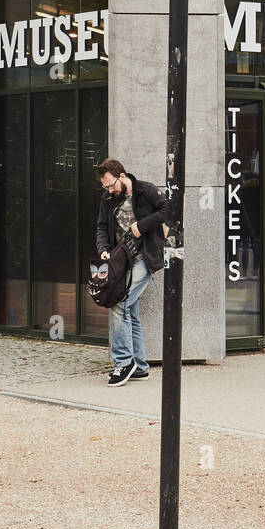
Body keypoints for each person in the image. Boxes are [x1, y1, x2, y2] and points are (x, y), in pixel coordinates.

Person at [94, 158, 167, 386]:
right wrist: (104, 249)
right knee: (130, 310)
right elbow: (102, 227)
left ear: (122, 176)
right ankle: (140, 367)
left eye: (112, 185)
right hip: (121, 259)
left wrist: (140, 226)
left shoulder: (146, 190)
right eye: (105, 186)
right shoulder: (108, 198)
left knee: (119, 304)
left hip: (146, 258)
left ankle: (123, 363)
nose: (109, 190)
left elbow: (170, 209)